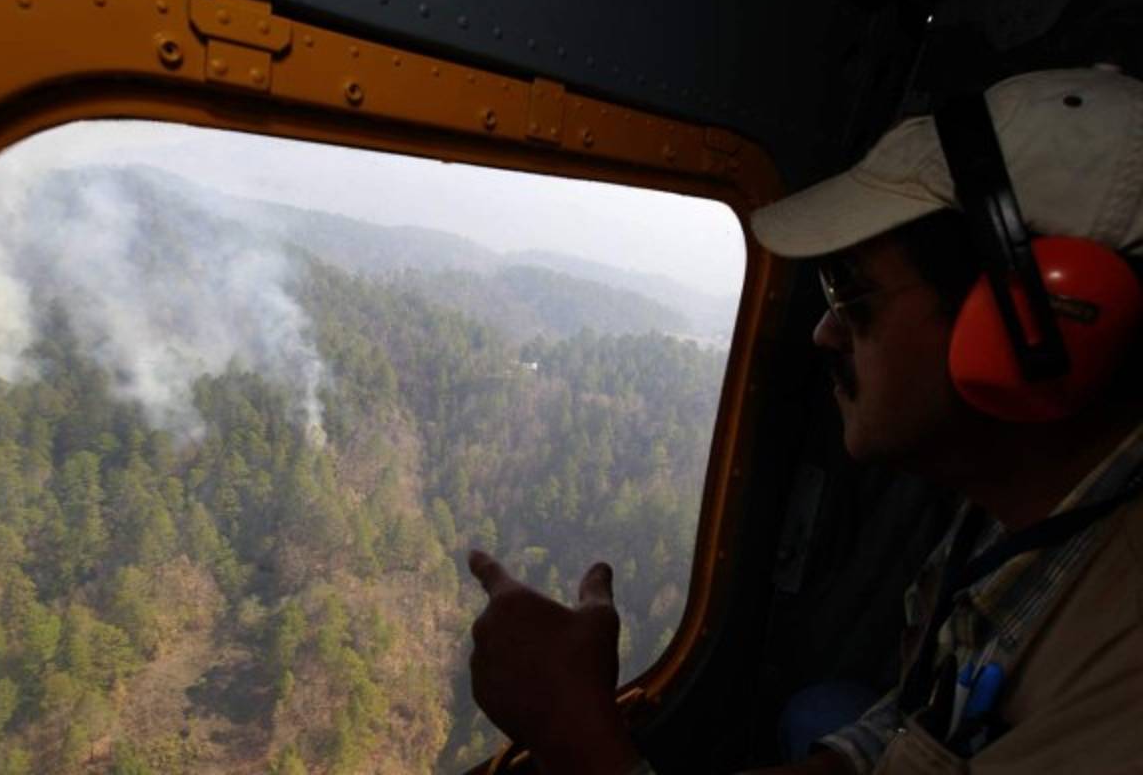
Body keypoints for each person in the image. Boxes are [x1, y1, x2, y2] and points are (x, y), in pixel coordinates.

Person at [466, 66, 1143, 774]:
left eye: (852, 293)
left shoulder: (1122, 682)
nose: (823, 333)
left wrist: (578, 739)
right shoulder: (1006, 515)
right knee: (822, 710)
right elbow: (910, 731)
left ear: (1037, 329)